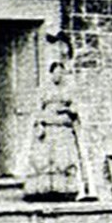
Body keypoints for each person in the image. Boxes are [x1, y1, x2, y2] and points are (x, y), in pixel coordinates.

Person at [22, 58, 83, 201]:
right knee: (45, 159)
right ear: (50, 74)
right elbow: (37, 108)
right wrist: (40, 124)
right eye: (55, 73)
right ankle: (42, 191)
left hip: (63, 127)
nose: (58, 77)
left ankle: (65, 190)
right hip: (48, 126)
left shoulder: (69, 90)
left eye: (61, 74)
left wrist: (67, 109)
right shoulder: (44, 90)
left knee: (63, 158)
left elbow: (76, 107)